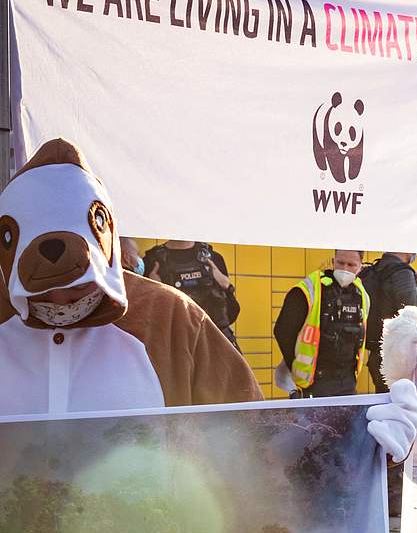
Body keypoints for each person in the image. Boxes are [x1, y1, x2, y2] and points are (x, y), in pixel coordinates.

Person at [0, 138, 262, 413]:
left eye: (79, 287)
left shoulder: (173, 319)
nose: (60, 300)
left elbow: (250, 432)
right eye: (40, 293)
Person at [274, 249, 371, 398]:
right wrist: (295, 365)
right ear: (333, 262)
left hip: (347, 382)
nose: (345, 269)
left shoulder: (361, 295)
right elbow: (282, 331)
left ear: (360, 267)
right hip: (313, 383)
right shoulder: (309, 289)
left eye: (351, 265)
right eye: (340, 263)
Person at [143, 239, 242, 345]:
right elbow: (145, 319)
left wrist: (227, 287)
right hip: (174, 347)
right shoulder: (151, 261)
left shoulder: (213, 258)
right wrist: (154, 290)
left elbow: (231, 314)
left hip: (215, 345)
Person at [361, 251, 417, 392]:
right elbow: (414, 314)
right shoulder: (402, 273)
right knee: (402, 407)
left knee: (385, 405)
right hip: (400, 358)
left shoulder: (375, 270)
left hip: (377, 354)